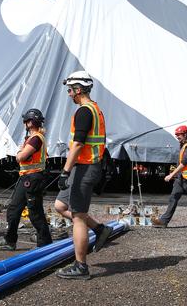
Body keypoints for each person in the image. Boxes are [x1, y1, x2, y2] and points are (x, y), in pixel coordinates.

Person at [55, 71, 113, 280]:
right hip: (86, 167)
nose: (69, 94)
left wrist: (65, 171)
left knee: (78, 217)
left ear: (78, 90)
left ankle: (81, 266)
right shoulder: (94, 109)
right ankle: (99, 229)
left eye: (70, 90)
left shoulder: (84, 112)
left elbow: (78, 144)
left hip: (84, 168)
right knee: (60, 206)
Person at [0, 109, 53, 250]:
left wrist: (19, 153)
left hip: (33, 179)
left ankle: (45, 242)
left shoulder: (36, 138)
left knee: (35, 212)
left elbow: (21, 157)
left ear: (30, 122)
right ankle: (10, 240)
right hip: (26, 178)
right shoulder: (32, 138)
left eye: (26, 121)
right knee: (14, 209)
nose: (25, 124)